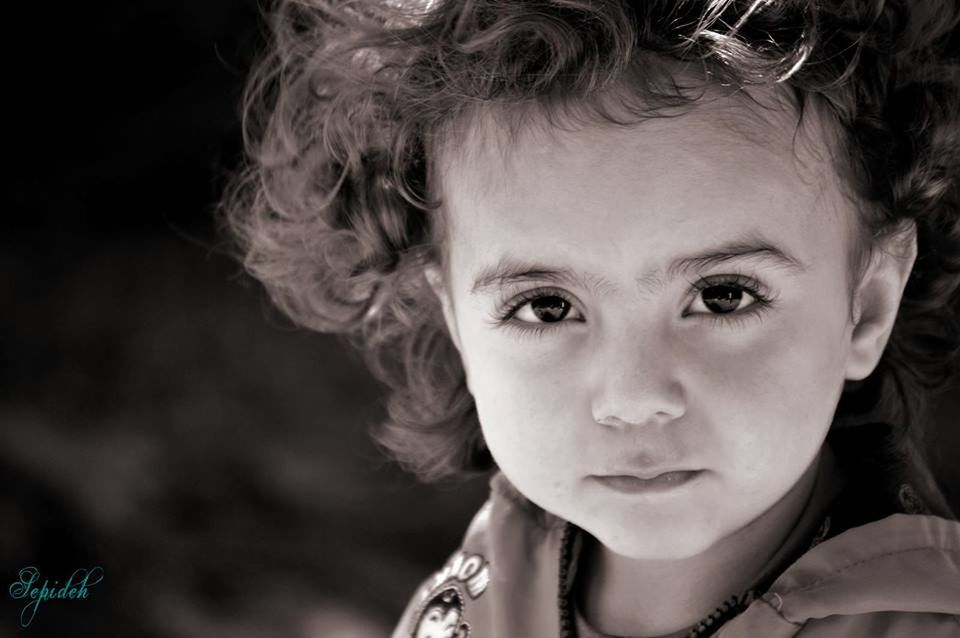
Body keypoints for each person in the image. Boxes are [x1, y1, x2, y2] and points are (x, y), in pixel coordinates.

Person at [222, 0, 960, 635]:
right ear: (453, 317)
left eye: (723, 296)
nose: (634, 398)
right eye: (547, 307)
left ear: (865, 306)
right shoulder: (470, 605)